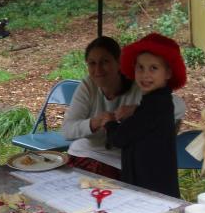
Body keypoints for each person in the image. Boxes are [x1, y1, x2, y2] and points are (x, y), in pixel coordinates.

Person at [61, 35, 186, 181]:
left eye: (105, 62)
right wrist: (94, 123)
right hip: (88, 151)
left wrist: (136, 110)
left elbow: (178, 106)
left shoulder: (141, 85)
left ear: (118, 63)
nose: (98, 69)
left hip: (122, 160)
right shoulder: (89, 85)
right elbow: (67, 130)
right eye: (92, 63)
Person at [104, 33, 186, 198]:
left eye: (153, 68)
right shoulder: (156, 102)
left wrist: (109, 122)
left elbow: (120, 138)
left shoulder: (155, 105)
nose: (145, 75)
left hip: (152, 190)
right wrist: (134, 110)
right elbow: (144, 122)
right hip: (151, 186)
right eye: (140, 67)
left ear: (168, 73)